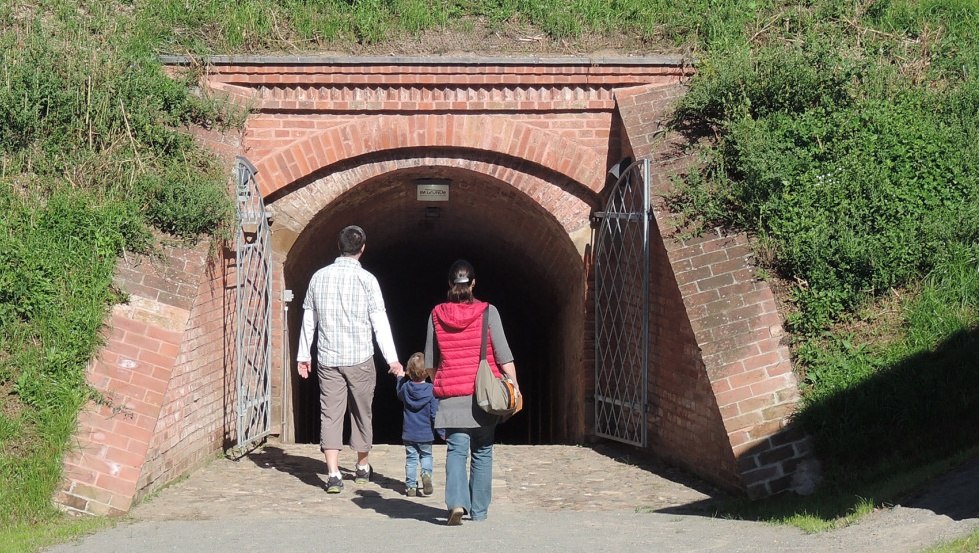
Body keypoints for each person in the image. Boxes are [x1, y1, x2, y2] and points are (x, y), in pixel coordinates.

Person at [296, 225, 403, 494]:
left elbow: (310, 319)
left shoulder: (318, 277)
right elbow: (380, 322)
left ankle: (333, 474)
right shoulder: (368, 281)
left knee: (330, 415)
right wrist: (392, 359)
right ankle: (362, 466)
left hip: (328, 358)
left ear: (338, 245)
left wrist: (302, 354)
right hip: (360, 359)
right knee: (361, 412)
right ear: (363, 248)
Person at [424, 259, 519, 525]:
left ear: (450, 284)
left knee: (456, 450)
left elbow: (430, 362)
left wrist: (442, 383)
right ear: (473, 283)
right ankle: (479, 511)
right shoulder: (489, 312)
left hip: (452, 396)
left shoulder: (436, 314)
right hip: (483, 396)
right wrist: (515, 388)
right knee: (483, 451)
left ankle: (455, 503)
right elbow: (504, 357)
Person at [396, 352, 438, 497]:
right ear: (427, 372)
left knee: (411, 459)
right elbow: (434, 414)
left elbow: (398, 393)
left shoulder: (406, 389)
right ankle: (426, 474)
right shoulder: (432, 391)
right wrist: (441, 430)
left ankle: (410, 487)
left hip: (409, 433)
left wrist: (400, 378)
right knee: (426, 456)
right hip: (426, 433)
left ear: (409, 371)